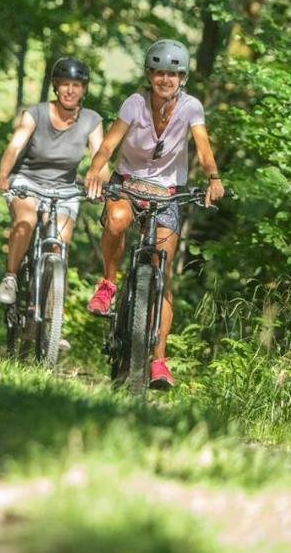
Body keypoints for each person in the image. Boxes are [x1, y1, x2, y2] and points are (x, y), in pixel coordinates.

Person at [83, 39, 224, 390]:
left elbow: (203, 149)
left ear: (182, 78)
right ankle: (108, 284)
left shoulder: (192, 108)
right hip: (129, 183)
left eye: (172, 74)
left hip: (168, 192)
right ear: (149, 75)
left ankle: (159, 360)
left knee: (161, 272)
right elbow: (108, 144)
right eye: (159, 72)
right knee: (117, 220)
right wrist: (96, 169)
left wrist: (213, 177)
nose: (165, 80)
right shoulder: (134, 104)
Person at [0, 57, 105, 307]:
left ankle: (53, 319)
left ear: (84, 89)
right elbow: (15, 146)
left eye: (76, 85)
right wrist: (3, 174)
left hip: (65, 188)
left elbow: (101, 159)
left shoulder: (92, 120)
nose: (70, 90)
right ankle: (10, 277)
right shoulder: (36, 113)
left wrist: (100, 184)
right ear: (56, 86)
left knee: (60, 246)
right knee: (27, 221)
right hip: (27, 181)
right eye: (64, 84)